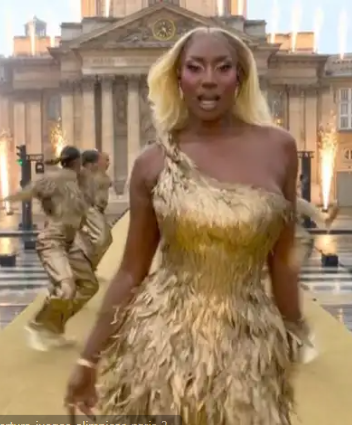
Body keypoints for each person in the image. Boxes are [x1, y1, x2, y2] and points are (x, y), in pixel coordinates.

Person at [64, 27, 314, 424]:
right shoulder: (152, 163)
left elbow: (281, 260)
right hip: (162, 345)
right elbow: (130, 271)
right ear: (177, 78)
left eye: (222, 67)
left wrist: (293, 330)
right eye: (195, 68)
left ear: (240, 76)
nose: (208, 80)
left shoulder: (279, 148)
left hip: (250, 344)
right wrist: (88, 358)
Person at [5, 146, 92, 350]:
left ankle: (53, 328)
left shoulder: (77, 182)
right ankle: (38, 324)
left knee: (89, 285)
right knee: (67, 288)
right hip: (53, 241)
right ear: (77, 162)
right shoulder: (57, 178)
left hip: (69, 242)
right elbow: (29, 192)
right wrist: (4, 200)